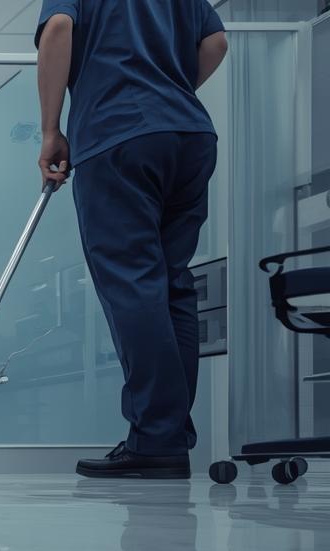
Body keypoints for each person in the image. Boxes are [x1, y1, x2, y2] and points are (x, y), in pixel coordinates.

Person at [35, 0, 228, 479]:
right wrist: (169, 92)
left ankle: (157, 438)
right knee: (172, 283)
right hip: (189, 134)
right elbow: (216, 43)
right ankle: (167, 436)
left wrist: (50, 130)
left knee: (133, 283)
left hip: (119, 133)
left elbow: (59, 28)